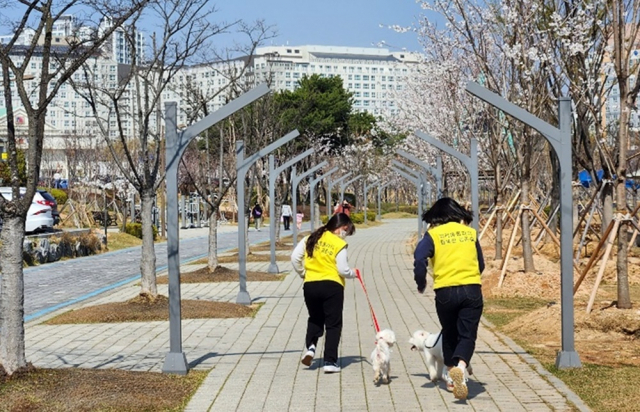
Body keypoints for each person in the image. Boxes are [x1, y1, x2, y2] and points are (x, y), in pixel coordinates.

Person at [413, 197, 484, 401]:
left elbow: (419, 258)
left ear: (436, 216)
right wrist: (472, 276)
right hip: (471, 288)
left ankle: (452, 377)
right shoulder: (470, 233)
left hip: (445, 291)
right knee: (467, 334)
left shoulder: (432, 235)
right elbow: (481, 264)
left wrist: (421, 282)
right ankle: (460, 368)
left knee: (450, 333)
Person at [291, 212, 358, 373]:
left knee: (315, 318)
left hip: (310, 285)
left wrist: (303, 273)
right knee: (333, 324)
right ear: (343, 227)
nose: (346, 236)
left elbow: (294, 258)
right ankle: (330, 361)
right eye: (347, 232)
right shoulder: (338, 244)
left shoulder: (310, 238)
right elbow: (342, 269)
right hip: (332, 286)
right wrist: (353, 273)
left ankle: (311, 348)